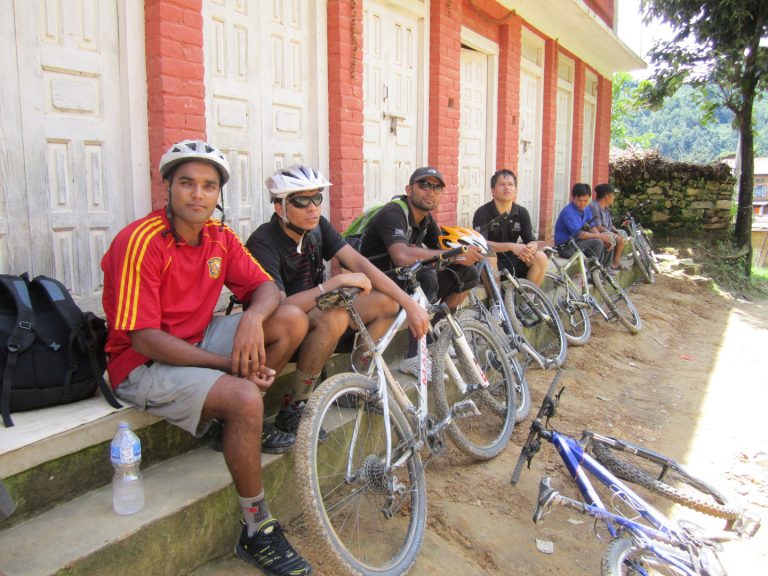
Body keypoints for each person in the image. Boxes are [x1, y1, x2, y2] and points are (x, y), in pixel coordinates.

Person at [101, 140, 312, 576]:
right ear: (168, 188)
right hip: (142, 366)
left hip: (196, 340)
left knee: (290, 319)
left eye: (208, 186)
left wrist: (253, 317)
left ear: (219, 194)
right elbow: (143, 339)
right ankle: (256, 530)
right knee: (244, 397)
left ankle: (227, 427)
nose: (198, 195)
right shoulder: (140, 241)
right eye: (187, 183)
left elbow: (267, 288)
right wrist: (228, 366)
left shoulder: (219, 236)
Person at [245, 165, 430, 446]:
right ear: (280, 207)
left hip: (314, 315)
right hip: (282, 329)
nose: (312, 208)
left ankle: (352, 386)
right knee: (333, 317)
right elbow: (278, 308)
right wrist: (330, 286)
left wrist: (409, 303)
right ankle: (296, 406)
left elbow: (361, 264)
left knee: (387, 303)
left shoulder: (317, 228)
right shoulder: (263, 241)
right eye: (300, 201)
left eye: (317, 198)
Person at [359, 166, 483, 377]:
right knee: (426, 277)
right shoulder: (394, 213)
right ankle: (413, 357)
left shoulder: (425, 219)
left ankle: (435, 339)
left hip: (403, 277)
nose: (430, 191)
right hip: (379, 280)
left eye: (436, 188)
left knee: (467, 273)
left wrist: (465, 252)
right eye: (424, 184)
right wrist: (452, 255)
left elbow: (442, 248)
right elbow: (401, 256)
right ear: (409, 189)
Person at [472, 168, 548, 286]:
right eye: (502, 184)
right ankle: (497, 303)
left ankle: (527, 302)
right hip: (489, 264)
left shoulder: (522, 212)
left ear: (516, 190)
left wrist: (531, 247)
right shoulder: (482, 212)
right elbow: (481, 244)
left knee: (540, 257)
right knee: (489, 255)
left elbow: (531, 239)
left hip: (512, 261)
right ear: (493, 190)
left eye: (510, 184)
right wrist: (511, 246)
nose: (507, 188)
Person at [554, 182, 615, 268]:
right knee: (598, 242)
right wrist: (600, 237)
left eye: (585, 200)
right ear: (573, 198)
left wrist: (603, 237)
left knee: (609, 239)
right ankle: (594, 272)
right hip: (566, 248)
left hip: (577, 243)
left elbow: (592, 226)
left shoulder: (586, 209)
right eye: (579, 200)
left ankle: (605, 270)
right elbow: (580, 235)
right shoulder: (568, 212)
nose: (582, 204)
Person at [590, 183, 629, 272]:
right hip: (597, 233)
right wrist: (612, 234)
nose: (614, 198)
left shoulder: (606, 208)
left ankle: (614, 261)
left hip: (605, 230)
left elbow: (610, 224)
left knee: (622, 233)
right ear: (607, 196)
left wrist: (616, 231)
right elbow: (597, 226)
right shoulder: (595, 207)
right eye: (612, 195)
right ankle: (613, 263)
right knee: (615, 239)